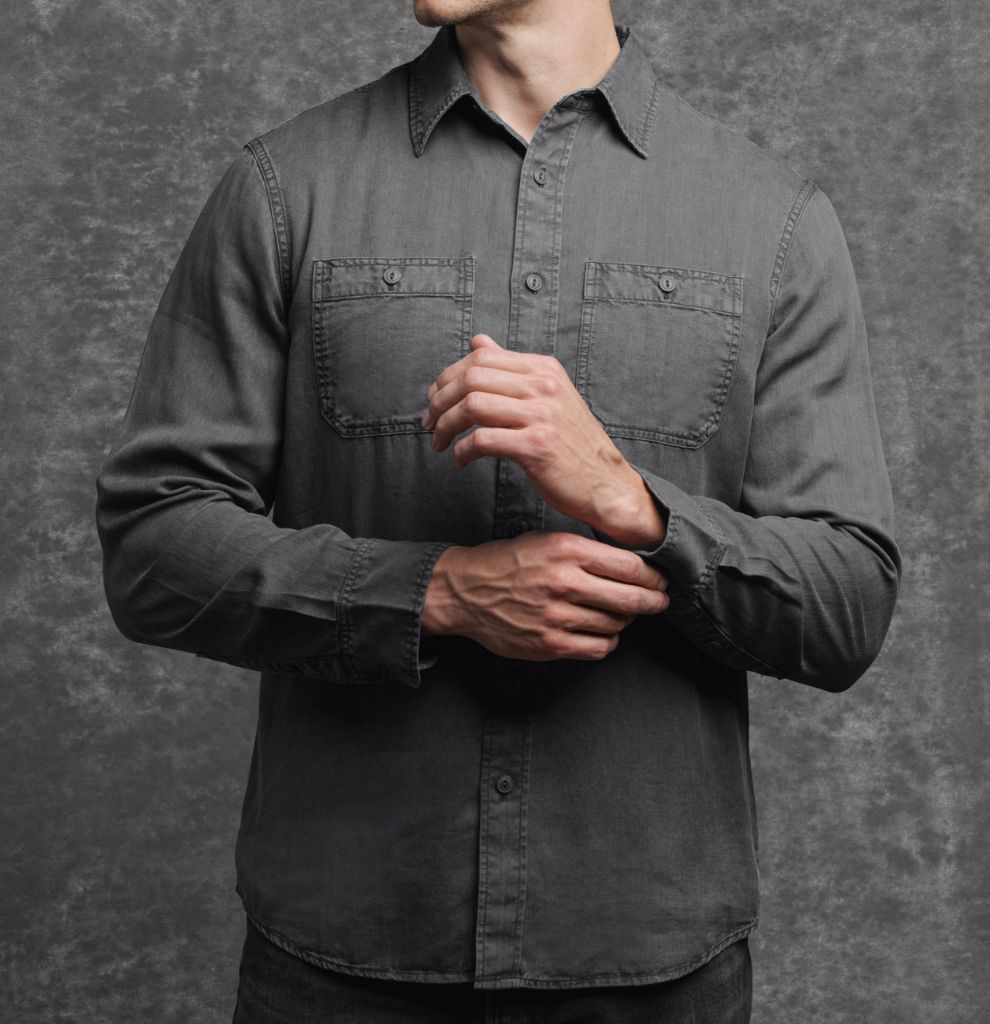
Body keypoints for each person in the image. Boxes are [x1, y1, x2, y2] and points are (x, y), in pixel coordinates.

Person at [94, 0, 902, 1020]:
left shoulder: (771, 220)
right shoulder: (285, 188)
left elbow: (846, 606)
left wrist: (634, 502)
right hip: (342, 958)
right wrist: (433, 594)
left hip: (648, 966)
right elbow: (152, 546)